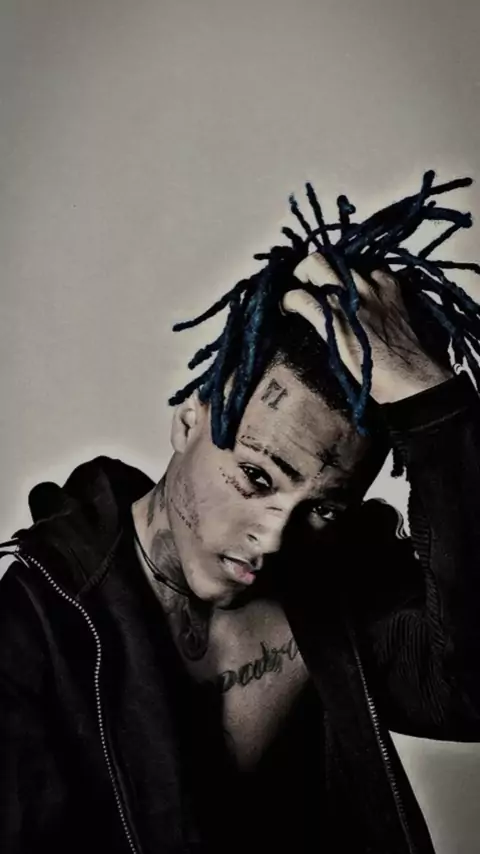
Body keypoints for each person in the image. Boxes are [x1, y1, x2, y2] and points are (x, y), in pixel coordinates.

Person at [2, 172, 480, 854]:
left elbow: (468, 694)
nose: (274, 537)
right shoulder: (35, 630)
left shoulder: (333, 583)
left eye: (322, 508)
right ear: (190, 418)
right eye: (256, 477)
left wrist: (435, 413)